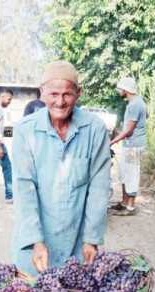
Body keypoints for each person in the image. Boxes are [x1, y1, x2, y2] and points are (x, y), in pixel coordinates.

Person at [12, 61, 111, 276]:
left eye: (67, 94)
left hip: (77, 245)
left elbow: (99, 187)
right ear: (42, 93)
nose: (60, 101)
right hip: (35, 245)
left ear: (78, 93)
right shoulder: (25, 131)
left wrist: (92, 239)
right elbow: (23, 188)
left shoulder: (95, 129)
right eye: (53, 94)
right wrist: (35, 241)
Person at [109, 77, 147, 216]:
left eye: (120, 88)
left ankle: (130, 207)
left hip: (133, 145)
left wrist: (111, 142)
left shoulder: (134, 105)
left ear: (125, 89)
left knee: (131, 174)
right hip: (132, 144)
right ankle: (124, 202)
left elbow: (129, 131)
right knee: (125, 174)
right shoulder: (138, 101)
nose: (119, 90)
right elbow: (144, 117)